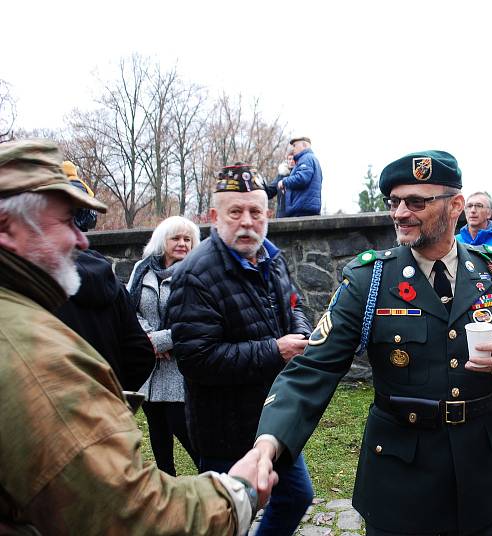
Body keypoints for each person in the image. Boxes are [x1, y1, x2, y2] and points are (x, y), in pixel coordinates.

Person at [254, 150, 492, 535]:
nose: (399, 213)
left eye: (416, 202)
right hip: (399, 484)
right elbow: (314, 365)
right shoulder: (369, 279)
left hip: (481, 480)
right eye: (394, 202)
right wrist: (268, 443)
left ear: (455, 205)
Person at [0, 139, 277, 535]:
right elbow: (129, 512)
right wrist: (239, 493)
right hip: (164, 390)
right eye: (65, 222)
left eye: (256, 211)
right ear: (6, 228)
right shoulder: (33, 354)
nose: (81, 240)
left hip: (179, 384)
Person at [168, 162, 314, 536]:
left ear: (268, 214)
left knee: (296, 495)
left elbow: (295, 305)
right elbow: (196, 360)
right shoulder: (194, 275)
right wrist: (275, 351)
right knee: (228, 518)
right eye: (235, 212)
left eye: (255, 211)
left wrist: (300, 335)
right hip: (224, 429)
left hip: (273, 418)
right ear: (215, 216)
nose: (247, 222)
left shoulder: (272, 258)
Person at [55, 161, 155, 391]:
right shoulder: (109, 280)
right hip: (105, 414)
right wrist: (110, 395)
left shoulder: (29, 286)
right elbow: (140, 353)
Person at [127, 215, 201, 475]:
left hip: (181, 369)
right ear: (162, 241)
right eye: (176, 238)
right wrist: (148, 341)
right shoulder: (142, 270)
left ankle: (221, 489)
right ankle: (168, 493)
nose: (182, 243)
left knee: (190, 437)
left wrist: (157, 342)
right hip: (150, 372)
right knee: (159, 439)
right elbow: (129, 310)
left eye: (187, 239)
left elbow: (197, 319)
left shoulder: (197, 272)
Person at [276, 136, 323, 217]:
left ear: (304, 145)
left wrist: (284, 182)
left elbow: (302, 179)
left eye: (294, 145)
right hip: (307, 208)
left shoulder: (306, 158)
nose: (293, 148)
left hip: (302, 210)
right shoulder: (312, 159)